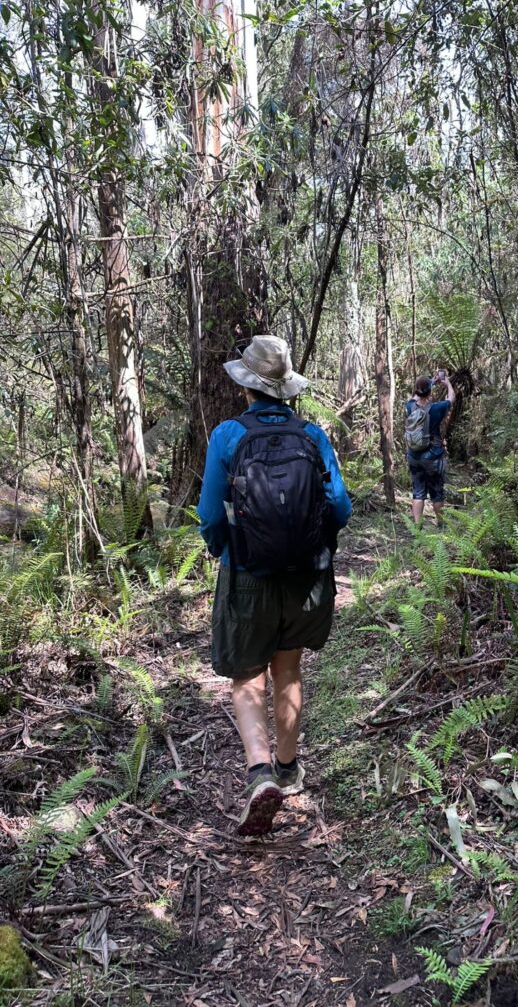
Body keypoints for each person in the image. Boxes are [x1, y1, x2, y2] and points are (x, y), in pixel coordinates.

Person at [197, 335, 352, 837]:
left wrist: (231, 552)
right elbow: (342, 509)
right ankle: (288, 770)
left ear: (247, 386)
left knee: (247, 676)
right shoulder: (312, 434)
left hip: (249, 576)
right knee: (288, 667)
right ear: (286, 387)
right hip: (306, 576)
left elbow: (208, 516)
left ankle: (260, 772)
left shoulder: (227, 436)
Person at [404, 371, 455, 527]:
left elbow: (416, 396)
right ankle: (441, 524)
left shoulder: (409, 406)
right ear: (430, 392)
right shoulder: (437, 409)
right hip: (432, 456)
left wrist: (429, 383)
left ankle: (417, 527)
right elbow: (451, 398)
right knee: (437, 492)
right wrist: (447, 383)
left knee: (418, 492)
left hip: (414, 455)